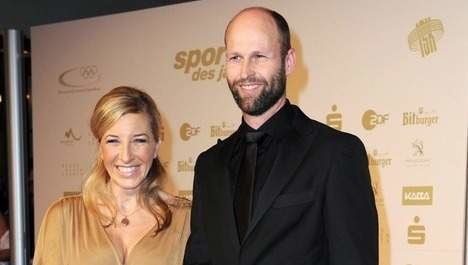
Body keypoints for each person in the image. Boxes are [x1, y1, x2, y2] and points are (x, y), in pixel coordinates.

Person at [184, 6, 378, 265]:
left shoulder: (335, 153)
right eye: (235, 58)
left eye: (259, 56)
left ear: (288, 62)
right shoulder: (209, 165)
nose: (245, 72)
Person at [33, 86, 190, 265]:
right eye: (113, 141)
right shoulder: (64, 217)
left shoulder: (186, 220)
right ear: (100, 147)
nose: (126, 156)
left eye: (139, 140)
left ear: (156, 145)